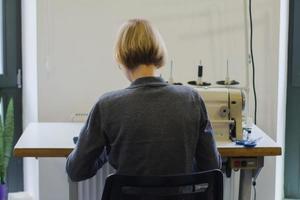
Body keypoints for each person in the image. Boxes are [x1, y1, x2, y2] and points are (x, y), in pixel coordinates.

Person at [66, 19, 221, 182]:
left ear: (121, 58)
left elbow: (76, 171)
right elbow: (211, 166)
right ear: (159, 52)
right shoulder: (192, 99)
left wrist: (108, 149)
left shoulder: (106, 106)